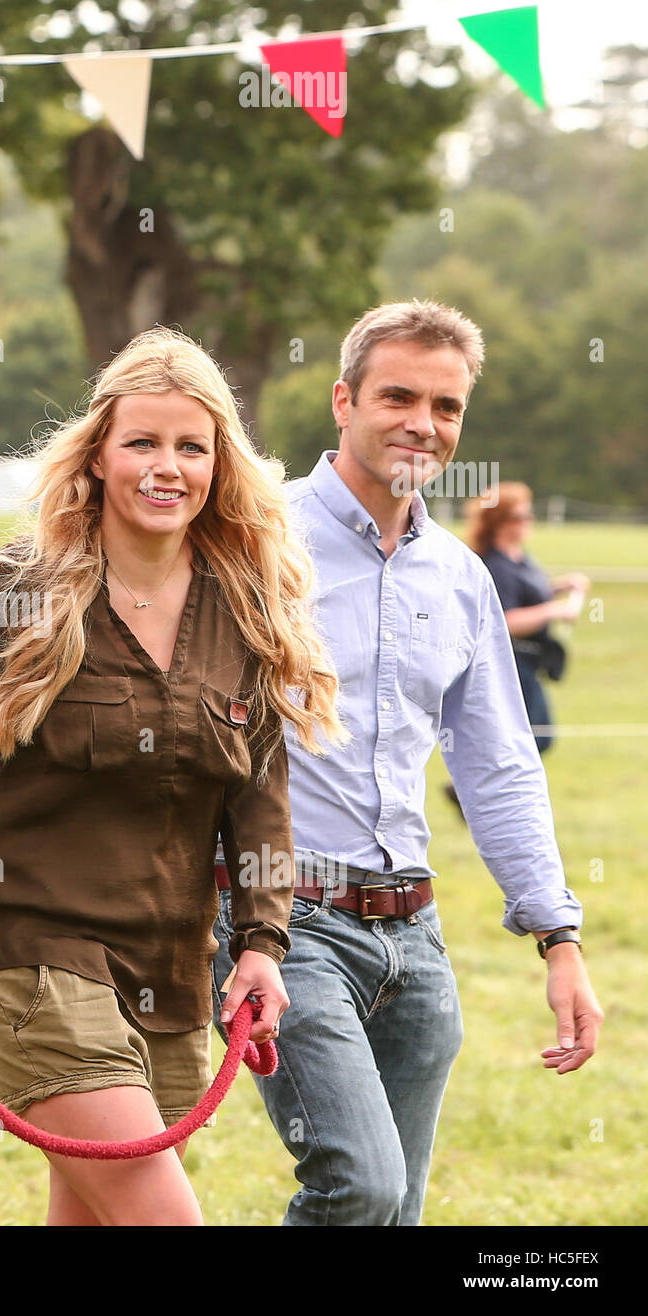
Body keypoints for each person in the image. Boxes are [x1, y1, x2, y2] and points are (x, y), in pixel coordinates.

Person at [213, 300, 604, 1227]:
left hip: (415, 937)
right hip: (285, 918)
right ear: (343, 401)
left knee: (399, 1214)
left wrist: (560, 938)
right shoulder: (256, 544)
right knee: (361, 1190)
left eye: (447, 406)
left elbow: (499, 764)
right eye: (398, 396)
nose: (423, 424)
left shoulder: (462, 578)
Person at [0, 327, 343, 1226]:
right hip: (34, 957)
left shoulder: (245, 608)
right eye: (142, 443)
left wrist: (262, 945)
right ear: (98, 456)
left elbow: (260, 805)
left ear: (219, 463)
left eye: (190, 447)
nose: (167, 468)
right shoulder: (21, 588)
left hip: (169, 977)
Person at [466, 482, 588, 755]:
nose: (529, 521)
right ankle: (473, 789)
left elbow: (528, 594)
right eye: (521, 516)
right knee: (533, 738)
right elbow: (506, 621)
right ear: (500, 522)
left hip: (532, 661)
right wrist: (554, 610)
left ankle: (475, 789)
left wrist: (562, 585)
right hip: (512, 661)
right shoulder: (496, 565)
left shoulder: (519, 559)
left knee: (525, 739)